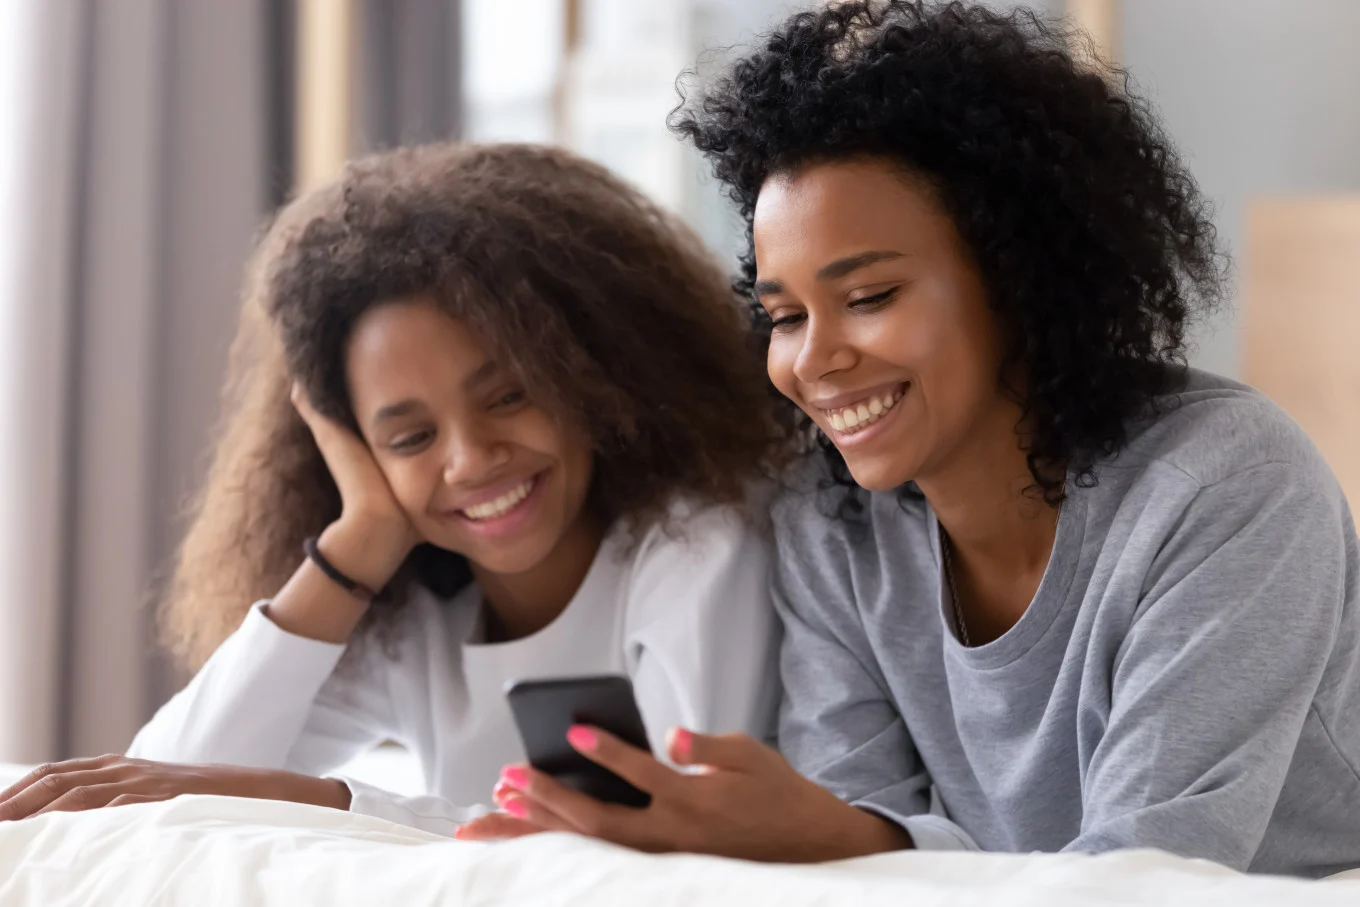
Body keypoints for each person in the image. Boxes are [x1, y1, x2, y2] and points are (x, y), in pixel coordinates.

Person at [460, 1, 1360, 877]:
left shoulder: (1222, 486)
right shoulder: (832, 524)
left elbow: (1147, 874)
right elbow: (861, 844)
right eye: (782, 315)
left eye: (869, 298)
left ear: (1020, 277)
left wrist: (849, 842)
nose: (813, 360)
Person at [0, 143, 784, 835]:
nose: (471, 459)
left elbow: (686, 820)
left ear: (590, 373)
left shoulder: (696, 544)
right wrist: (362, 536)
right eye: (410, 436)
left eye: (508, 395)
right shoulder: (418, 620)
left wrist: (331, 802)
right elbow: (161, 789)